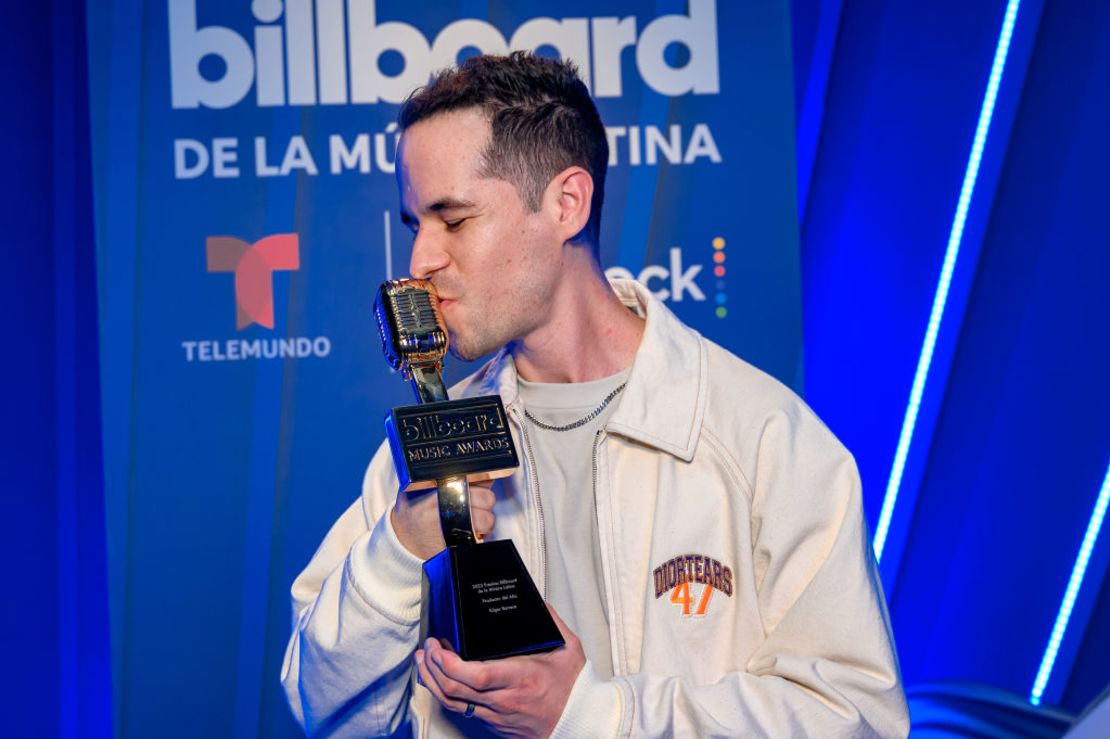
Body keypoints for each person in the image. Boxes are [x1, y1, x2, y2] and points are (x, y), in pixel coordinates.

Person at [281, 51, 909, 738]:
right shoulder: (432, 449)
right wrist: (398, 547)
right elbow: (329, 713)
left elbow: (859, 719)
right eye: (415, 225)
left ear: (566, 204)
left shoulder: (761, 436)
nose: (421, 261)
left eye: (453, 220)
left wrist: (592, 716)